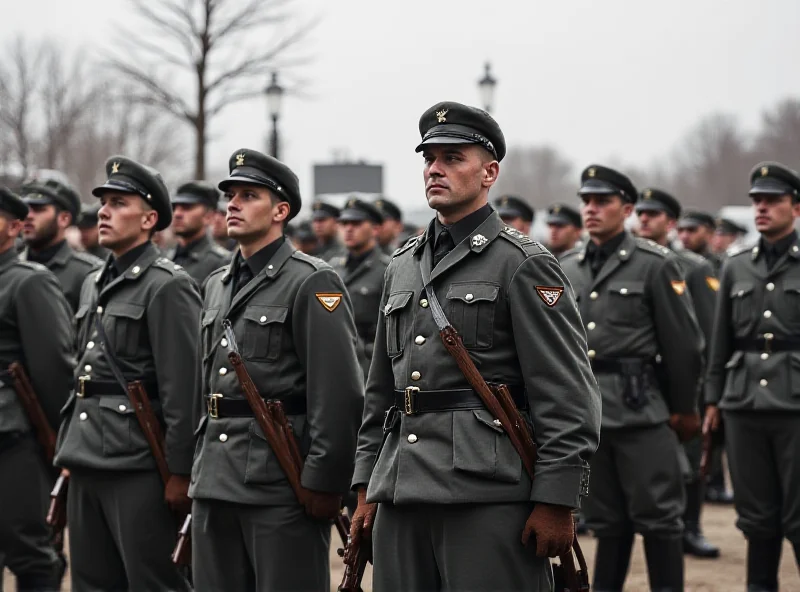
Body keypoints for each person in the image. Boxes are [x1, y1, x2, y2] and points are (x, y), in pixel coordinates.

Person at [349, 102, 601, 592]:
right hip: (401, 489)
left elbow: (566, 393)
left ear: (490, 173)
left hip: (485, 491)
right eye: (430, 158)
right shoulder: (402, 264)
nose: (436, 169)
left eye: (453, 157)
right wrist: (364, 484)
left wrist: (557, 499)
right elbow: (381, 391)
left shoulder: (523, 264)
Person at [189, 149, 363, 592]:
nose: (232, 204)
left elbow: (338, 393)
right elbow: (203, 385)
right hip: (214, 480)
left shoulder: (311, 280)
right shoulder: (215, 284)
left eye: (249, 195)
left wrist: (324, 484)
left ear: (281, 210)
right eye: (230, 195)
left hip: (280, 483)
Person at [53, 156, 199, 592]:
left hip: (138, 463)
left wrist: (180, 472)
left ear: (150, 219)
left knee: (152, 582)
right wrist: (66, 445)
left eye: (119, 203)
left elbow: (183, 388)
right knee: (92, 584)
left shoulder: (167, 285)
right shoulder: (93, 280)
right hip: (85, 457)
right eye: (103, 203)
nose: (103, 211)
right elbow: (84, 371)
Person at [560, 165, 704, 592]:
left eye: (602, 202)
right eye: (586, 201)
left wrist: (683, 410)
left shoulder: (656, 264)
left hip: (641, 411)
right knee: (607, 523)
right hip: (588, 416)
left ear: (626, 209)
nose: (591, 209)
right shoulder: (567, 266)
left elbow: (684, 347)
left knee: (660, 520)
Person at [705, 162, 800, 592]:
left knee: (799, 516)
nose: (761, 208)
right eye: (756, 201)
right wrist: (712, 398)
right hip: (743, 403)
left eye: (772, 201)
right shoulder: (736, 265)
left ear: (795, 208)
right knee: (757, 518)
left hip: (795, 404)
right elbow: (720, 339)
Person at [635, 188, 721, 560]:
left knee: (690, 462)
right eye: (639, 214)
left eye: (652, 215)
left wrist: (701, 390)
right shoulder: (633, 262)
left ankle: (692, 526)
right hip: (643, 384)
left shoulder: (694, 267)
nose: (643, 221)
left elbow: (705, 332)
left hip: (685, 380)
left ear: (669, 222)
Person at [0, 187, 75, 591]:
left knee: (31, 555)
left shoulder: (28, 283)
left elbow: (54, 371)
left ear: (14, 228)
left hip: (15, 441)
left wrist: (59, 445)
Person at [20, 172, 102, 312]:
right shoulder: (9, 265)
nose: (28, 216)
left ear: (63, 219)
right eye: (26, 208)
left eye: (38, 209)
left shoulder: (89, 273)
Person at [330, 198, 392, 381]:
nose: (348, 229)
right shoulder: (332, 268)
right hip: (334, 364)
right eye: (344, 223)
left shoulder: (387, 269)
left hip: (369, 368)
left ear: (375, 229)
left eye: (356, 223)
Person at [169, 181, 231, 286]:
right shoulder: (166, 257)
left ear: (209, 216)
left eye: (187, 208)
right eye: (174, 208)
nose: (177, 214)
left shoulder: (222, 263)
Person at [677, 210, 721, 274]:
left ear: (709, 233)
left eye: (691, 230)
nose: (684, 236)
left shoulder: (720, 267)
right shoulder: (673, 264)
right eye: (680, 230)